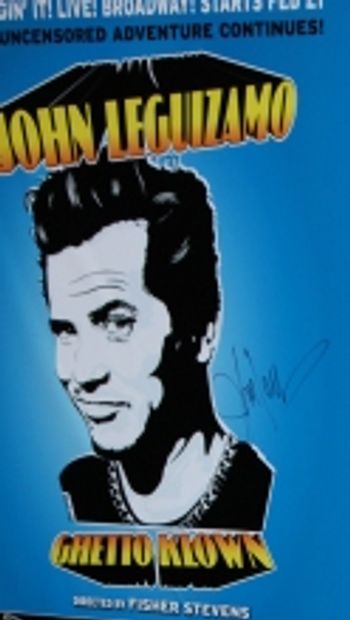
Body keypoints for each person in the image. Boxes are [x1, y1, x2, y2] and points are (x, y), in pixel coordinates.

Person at [29, 156, 272, 531]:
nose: (81, 372)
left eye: (117, 323)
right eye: (66, 330)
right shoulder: (69, 495)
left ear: (202, 330)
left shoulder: (264, 499)